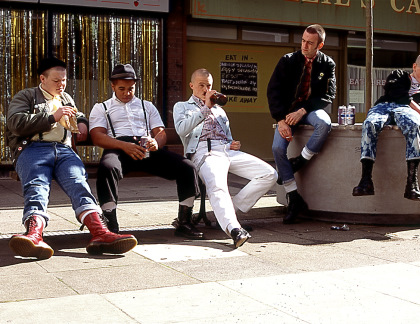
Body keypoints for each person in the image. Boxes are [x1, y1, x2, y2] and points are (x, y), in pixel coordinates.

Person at [6, 57, 137, 260]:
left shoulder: (66, 97)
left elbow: (78, 113)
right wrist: (52, 117)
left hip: (64, 150)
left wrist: (83, 122)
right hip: (33, 148)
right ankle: (34, 235)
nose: (61, 85)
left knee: (78, 183)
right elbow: (15, 122)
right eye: (56, 81)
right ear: (42, 78)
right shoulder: (27, 95)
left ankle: (100, 233)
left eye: (64, 80)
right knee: (37, 185)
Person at [89, 64, 203, 239]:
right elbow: (97, 136)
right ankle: (110, 225)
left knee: (187, 167)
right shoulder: (102, 107)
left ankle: (184, 222)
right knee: (107, 167)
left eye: (131, 89)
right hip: (118, 148)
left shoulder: (146, 106)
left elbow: (160, 132)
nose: (127, 93)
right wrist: (122, 145)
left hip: (145, 148)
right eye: (122, 89)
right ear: (112, 86)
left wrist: (156, 143)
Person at [173, 68, 278, 248]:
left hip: (227, 151)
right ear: (192, 86)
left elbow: (227, 137)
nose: (206, 89)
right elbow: (182, 130)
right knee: (218, 186)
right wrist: (205, 107)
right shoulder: (182, 106)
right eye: (201, 85)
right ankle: (234, 228)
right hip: (205, 153)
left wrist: (232, 144)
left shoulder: (220, 110)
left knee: (269, 174)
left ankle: (229, 210)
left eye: (209, 85)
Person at [267, 24, 336, 224]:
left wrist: (303, 110)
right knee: (277, 148)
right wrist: (281, 120)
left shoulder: (327, 64)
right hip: (286, 113)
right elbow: (273, 92)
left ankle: (300, 161)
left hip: (308, 110)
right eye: (303, 40)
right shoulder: (288, 60)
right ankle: (293, 197)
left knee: (324, 123)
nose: (305, 45)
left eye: (310, 43)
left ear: (320, 45)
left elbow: (328, 94)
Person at [352, 54, 420, 201]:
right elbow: (396, 94)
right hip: (385, 105)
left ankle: (412, 183)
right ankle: (365, 180)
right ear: (414, 66)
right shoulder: (398, 74)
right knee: (370, 123)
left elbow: (419, 110)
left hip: (406, 111)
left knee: (414, 124)